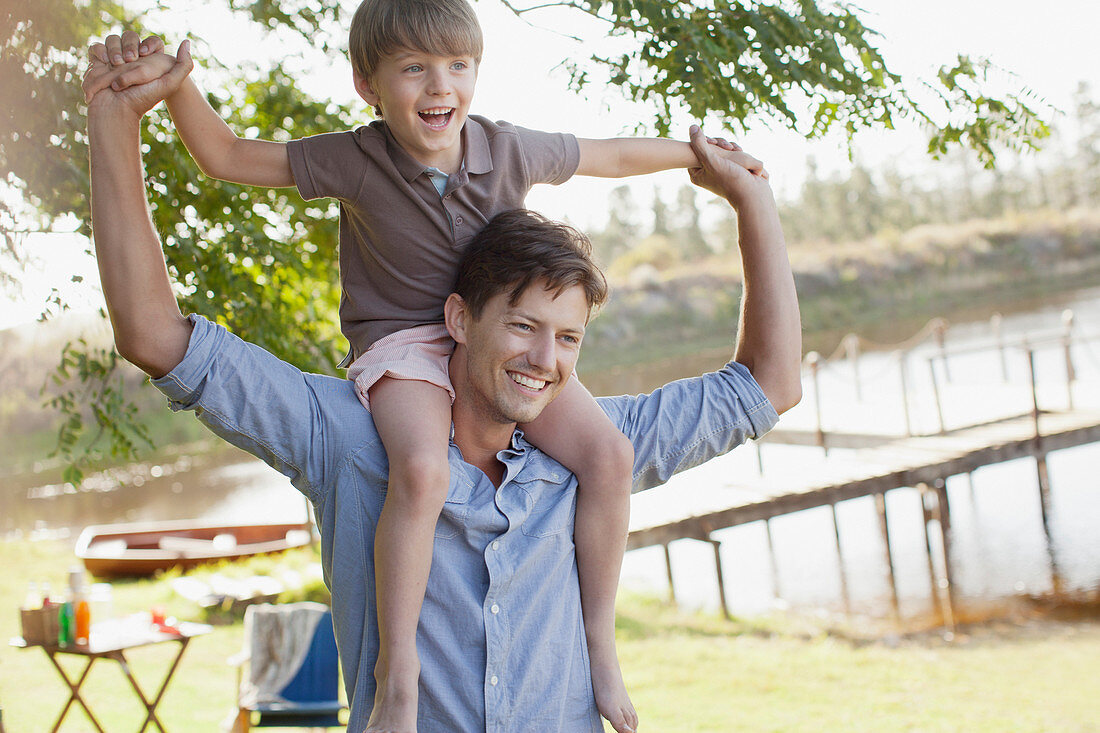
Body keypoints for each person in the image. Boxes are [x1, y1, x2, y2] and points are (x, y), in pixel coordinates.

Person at [82, 41, 801, 732]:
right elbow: (155, 335)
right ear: (460, 317)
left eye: (568, 337)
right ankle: (401, 679)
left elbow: (772, 383)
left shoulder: (596, 450)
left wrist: (750, 197)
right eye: (521, 326)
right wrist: (116, 118)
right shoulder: (350, 440)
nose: (545, 359)